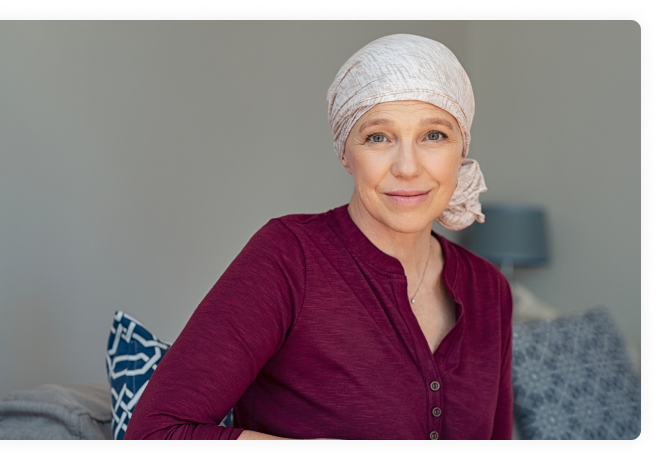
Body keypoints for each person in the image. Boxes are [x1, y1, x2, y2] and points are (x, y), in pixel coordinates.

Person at [124, 34, 513, 441]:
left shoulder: (491, 290)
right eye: (378, 137)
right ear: (346, 152)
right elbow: (155, 433)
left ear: (461, 148)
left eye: (434, 135)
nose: (407, 166)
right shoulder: (289, 257)